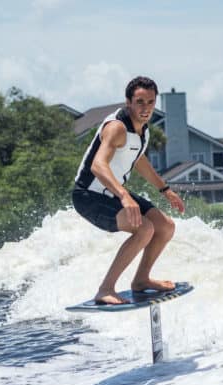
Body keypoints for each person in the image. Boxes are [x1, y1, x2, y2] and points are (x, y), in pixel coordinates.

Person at [72, 76, 185, 305]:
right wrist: (124, 196)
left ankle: (141, 280)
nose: (146, 108)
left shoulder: (142, 131)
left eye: (151, 102)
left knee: (165, 226)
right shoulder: (117, 128)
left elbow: (138, 159)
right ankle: (105, 289)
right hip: (88, 196)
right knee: (144, 229)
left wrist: (165, 190)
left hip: (111, 192)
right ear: (128, 102)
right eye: (140, 102)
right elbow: (98, 165)